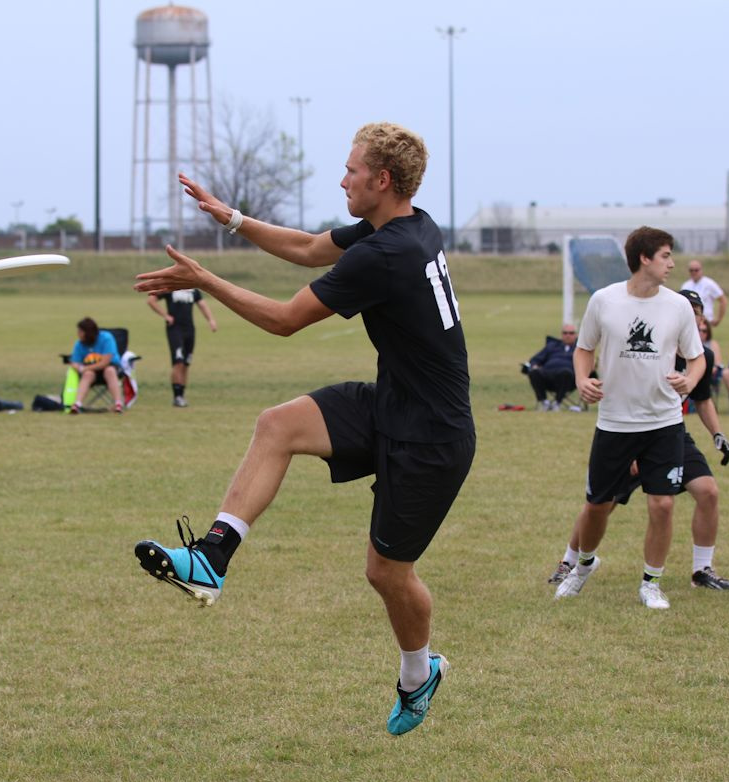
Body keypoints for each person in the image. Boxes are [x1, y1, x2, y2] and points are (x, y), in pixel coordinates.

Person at [132, 123, 474, 735]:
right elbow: (312, 247)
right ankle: (212, 557)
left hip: (433, 437)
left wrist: (205, 280)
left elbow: (285, 319)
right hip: (393, 403)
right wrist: (232, 218)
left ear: (382, 180)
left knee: (386, 573)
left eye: (351, 170)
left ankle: (419, 674)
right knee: (278, 424)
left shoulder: (385, 254)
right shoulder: (409, 225)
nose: (342, 180)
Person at [554, 226, 704, 610]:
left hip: (664, 421)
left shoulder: (678, 306)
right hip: (615, 423)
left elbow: (697, 358)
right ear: (644, 258)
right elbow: (584, 349)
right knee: (597, 506)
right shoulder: (604, 301)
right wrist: (582, 379)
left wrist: (689, 380)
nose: (672, 264)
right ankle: (583, 565)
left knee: (663, 504)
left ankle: (651, 583)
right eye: (666, 256)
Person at [549, 289, 729, 591]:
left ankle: (702, 570)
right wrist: (636, 453)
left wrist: (717, 433)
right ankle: (569, 561)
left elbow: (702, 400)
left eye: (697, 314)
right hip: (630, 431)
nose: (692, 319)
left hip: (671, 433)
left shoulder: (701, 357)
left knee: (708, 491)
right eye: (686, 312)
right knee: (600, 504)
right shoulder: (652, 349)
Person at [146, 288, 217, 407]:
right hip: (175, 329)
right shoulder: (170, 287)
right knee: (178, 362)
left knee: (186, 363)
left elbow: (202, 305)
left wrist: (211, 320)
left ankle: (182, 395)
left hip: (189, 329)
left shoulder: (193, 290)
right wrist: (166, 316)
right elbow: (151, 301)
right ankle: (177, 396)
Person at [68, 317, 123, 414]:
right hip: (91, 371)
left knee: (109, 371)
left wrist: (84, 368)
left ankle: (118, 403)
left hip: (109, 367)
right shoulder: (79, 344)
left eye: (80, 331)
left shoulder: (106, 338)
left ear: (88, 332)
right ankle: (77, 404)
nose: (78, 334)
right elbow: (75, 362)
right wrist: (79, 368)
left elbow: (105, 362)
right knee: (88, 374)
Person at [524, 324, 577, 410]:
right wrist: (534, 365)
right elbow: (535, 359)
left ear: (576, 335)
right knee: (534, 372)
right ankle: (544, 402)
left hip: (568, 379)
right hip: (548, 375)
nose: (568, 335)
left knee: (566, 372)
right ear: (561, 334)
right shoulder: (552, 346)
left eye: (571, 333)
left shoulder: (579, 349)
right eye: (565, 333)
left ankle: (557, 403)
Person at [680, 259, 727, 328]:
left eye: (696, 270)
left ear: (701, 270)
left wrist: (718, 320)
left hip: (705, 323)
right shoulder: (685, 285)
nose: (693, 272)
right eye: (691, 270)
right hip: (689, 322)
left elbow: (723, 300)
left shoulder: (709, 284)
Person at [698, 317, 722, 392]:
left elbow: (718, 363)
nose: (701, 333)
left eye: (704, 331)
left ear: (708, 332)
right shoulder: (691, 344)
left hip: (709, 372)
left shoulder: (713, 344)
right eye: (699, 330)